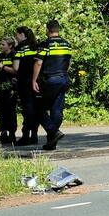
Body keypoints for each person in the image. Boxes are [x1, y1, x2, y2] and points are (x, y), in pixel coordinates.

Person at [31, 19, 72, 151]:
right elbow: (68, 63)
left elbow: (38, 63)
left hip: (50, 80)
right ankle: (51, 143)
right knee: (56, 110)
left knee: (38, 109)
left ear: (48, 30)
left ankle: (53, 131)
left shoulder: (45, 44)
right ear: (58, 30)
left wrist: (34, 80)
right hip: (64, 79)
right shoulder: (66, 44)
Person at [13, 26, 43, 146]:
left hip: (24, 82)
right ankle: (34, 135)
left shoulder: (19, 48)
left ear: (21, 35)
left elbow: (16, 68)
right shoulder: (37, 46)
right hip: (37, 81)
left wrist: (3, 67)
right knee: (36, 108)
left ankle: (25, 136)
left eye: (16, 34)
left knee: (27, 109)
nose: (15, 37)